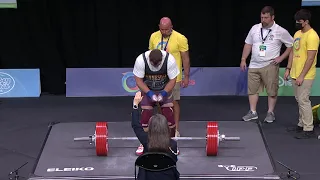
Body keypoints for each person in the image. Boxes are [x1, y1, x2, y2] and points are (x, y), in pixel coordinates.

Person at [240, 6, 294, 123]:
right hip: (254, 64)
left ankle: (270, 112)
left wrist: (281, 58)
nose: (263, 20)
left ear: (272, 17)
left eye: (266, 17)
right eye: (262, 17)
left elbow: (291, 45)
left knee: (272, 90)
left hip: (270, 65)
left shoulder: (280, 30)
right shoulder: (255, 28)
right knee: (252, 90)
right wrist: (243, 59)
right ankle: (253, 112)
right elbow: (248, 44)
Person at [149, 17, 190, 138]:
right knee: (159, 103)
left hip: (174, 77)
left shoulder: (180, 38)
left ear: (171, 27)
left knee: (173, 103)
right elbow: (150, 57)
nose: (164, 32)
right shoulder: (153, 36)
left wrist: (186, 76)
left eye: (167, 30)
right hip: (157, 77)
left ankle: (175, 129)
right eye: (162, 29)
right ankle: (164, 128)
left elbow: (185, 58)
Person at [133, 49, 180, 155]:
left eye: (157, 64)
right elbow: (139, 80)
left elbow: (173, 80)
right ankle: (144, 142)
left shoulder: (169, 60)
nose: (155, 65)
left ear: (161, 60)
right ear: (149, 59)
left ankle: (171, 142)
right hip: (147, 89)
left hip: (165, 89)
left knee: (169, 114)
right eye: (152, 63)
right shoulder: (141, 60)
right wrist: (149, 93)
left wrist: (164, 93)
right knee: (145, 114)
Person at [284, 9, 319, 139]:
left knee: (304, 100)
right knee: (299, 100)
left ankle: (308, 129)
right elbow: (293, 52)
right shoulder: (297, 33)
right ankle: (301, 124)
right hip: (295, 72)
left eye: (299, 22)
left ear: (306, 22)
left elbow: (310, 58)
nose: (297, 23)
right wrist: (288, 68)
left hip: (305, 75)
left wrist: (302, 75)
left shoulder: (312, 36)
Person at [131, 91, 180, 180]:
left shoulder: (146, 141)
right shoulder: (173, 145)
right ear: (166, 128)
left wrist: (135, 105)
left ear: (150, 128)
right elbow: (173, 163)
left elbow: (136, 125)